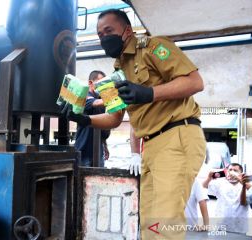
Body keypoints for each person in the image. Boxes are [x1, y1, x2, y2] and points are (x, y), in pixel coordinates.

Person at [63, 9, 206, 239]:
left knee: (164, 223)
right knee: (149, 225)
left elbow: (195, 82)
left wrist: (149, 93)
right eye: (99, 35)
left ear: (127, 31)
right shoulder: (116, 74)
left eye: (108, 31)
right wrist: (85, 119)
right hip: (150, 147)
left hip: (176, 135)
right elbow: (115, 118)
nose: (103, 38)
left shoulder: (152, 47)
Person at [202, 163, 252, 234]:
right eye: (230, 170)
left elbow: (245, 200)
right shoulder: (221, 183)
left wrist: (241, 182)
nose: (232, 172)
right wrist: (209, 178)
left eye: (235, 170)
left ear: (241, 173)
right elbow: (204, 185)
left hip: (239, 228)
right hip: (221, 226)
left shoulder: (245, 185)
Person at [74, 70, 110, 167]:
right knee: (81, 181)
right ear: (90, 83)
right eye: (101, 83)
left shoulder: (101, 101)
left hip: (98, 152)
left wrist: (105, 146)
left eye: (105, 83)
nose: (104, 86)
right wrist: (115, 97)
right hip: (83, 151)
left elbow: (102, 125)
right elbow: (93, 103)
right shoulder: (84, 97)